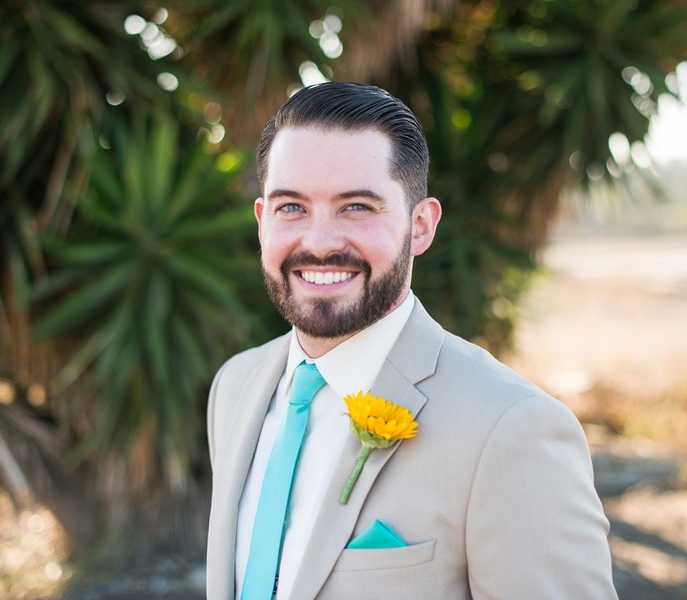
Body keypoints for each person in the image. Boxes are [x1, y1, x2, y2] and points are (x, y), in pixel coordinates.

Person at [205, 81, 617, 599]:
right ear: (263, 223)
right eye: (292, 207)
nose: (320, 242)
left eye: (356, 206)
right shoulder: (235, 387)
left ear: (420, 226)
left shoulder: (512, 429)